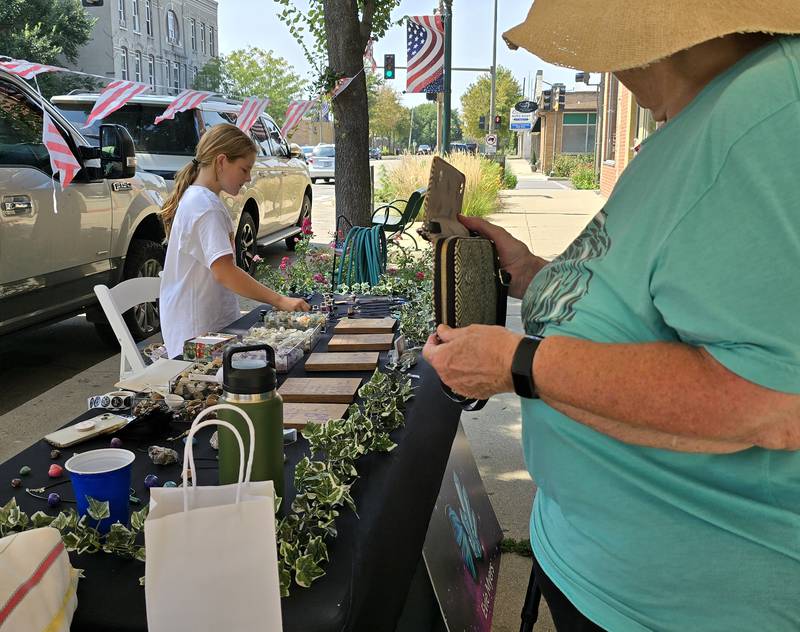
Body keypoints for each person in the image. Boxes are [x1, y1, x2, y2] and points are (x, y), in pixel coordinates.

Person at [423, 2, 800, 630]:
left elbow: (771, 400)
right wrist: (535, 274)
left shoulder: (765, 114)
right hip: (596, 565)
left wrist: (515, 364)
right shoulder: (708, 117)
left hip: (681, 604)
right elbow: (649, 295)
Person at [159, 123, 309, 358]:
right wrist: (279, 300)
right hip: (198, 335)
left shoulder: (201, 200)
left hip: (205, 328)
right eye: (244, 169)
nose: (248, 178)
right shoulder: (205, 207)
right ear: (221, 162)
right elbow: (225, 272)